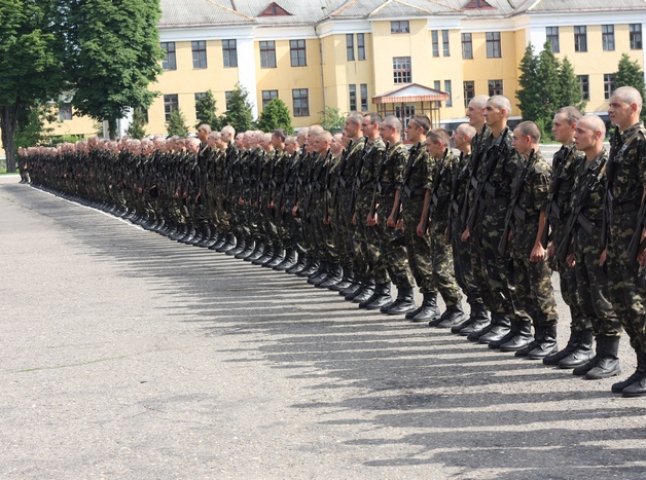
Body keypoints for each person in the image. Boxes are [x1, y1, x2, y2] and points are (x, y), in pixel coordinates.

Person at [559, 115, 623, 378]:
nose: (576, 135)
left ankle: (610, 357)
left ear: (597, 135)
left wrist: (609, 246)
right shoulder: (582, 166)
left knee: (603, 300)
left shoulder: (608, 167)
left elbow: (615, 211)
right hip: (582, 243)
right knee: (587, 300)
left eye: (581, 131)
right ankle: (598, 354)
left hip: (600, 245)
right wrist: (571, 244)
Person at [601, 86, 646, 397]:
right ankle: (642, 367)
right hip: (619, 231)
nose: (610, 110)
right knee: (621, 300)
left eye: (615, 105)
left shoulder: (641, 141)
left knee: (636, 302)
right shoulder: (620, 140)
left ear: (633, 107)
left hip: (636, 233)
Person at [506, 121, 559, 359]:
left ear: (528, 139)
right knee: (525, 289)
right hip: (520, 234)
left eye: (516, 138)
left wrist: (540, 243)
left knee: (540, 289)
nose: (513, 142)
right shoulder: (524, 166)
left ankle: (548, 338)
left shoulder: (539, 170)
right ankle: (538, 336)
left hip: (532, 238)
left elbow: (544, 211)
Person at [424, 128, 466, 326]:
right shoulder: (438, 163)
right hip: (438, 221)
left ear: (440, 145)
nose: (427, 149)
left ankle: (456, 308)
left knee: (442, 269)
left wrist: (452, 224)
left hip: (447, 223)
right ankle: (450, 308)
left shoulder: (453, 163)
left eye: (429, 145)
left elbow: (456, 197)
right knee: (435, 269)